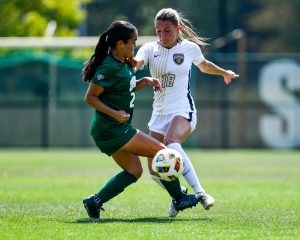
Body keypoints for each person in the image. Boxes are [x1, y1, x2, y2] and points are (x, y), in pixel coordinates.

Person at [81, 20, 202, 219]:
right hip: (112, 129)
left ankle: (95, 201)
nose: (134, 46)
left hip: (111, 129)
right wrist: (115, 114)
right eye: (133, 42)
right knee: (163, 153)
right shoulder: (109, 66)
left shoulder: (124, 62)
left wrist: (143, 82)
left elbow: (124, 87)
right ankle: (179, 197)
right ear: (120, 44)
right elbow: (90, 97)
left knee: (134, 171)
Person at [134, 8, 239, 217]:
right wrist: (126, 63)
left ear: (177, 28)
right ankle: (178, 197)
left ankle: (201, 193)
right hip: (158, 115)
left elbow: (205, 66)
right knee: (154, 171)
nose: (162, 35)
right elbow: (137, 63)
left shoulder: (189, 48)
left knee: (172, 144)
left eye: (167, 30)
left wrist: (224, 73)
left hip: (183, 110)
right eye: (158, 31)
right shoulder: (149, 48)